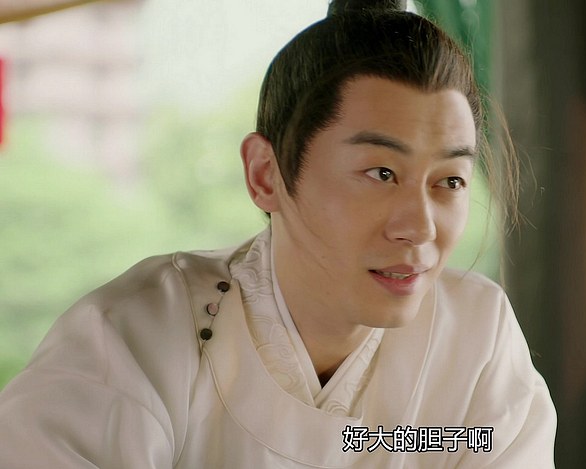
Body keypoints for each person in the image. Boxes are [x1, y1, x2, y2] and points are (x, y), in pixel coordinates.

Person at [0, 0, 557, 467]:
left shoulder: (476, 339)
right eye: (381, 173)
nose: (420, 227)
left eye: (450, 181)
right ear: (266, 174)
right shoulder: (137, 339)